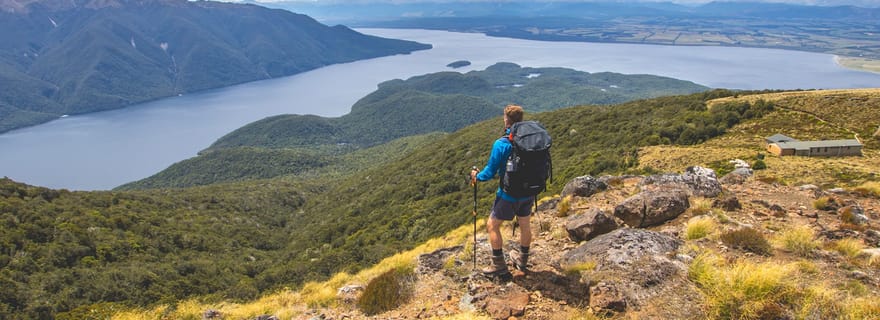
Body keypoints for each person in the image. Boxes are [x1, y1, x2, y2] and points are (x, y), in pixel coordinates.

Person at [470, 104, 533, 276]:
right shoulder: (529, 140)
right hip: (529, 192)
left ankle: (499, 266)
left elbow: (489, 173)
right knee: (525, 225)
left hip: (509, 194)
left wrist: (476, 176)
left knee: (492, 225)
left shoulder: (501, 144)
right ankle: (523, 260)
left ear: (506, 120)